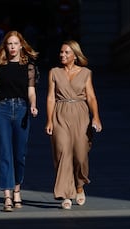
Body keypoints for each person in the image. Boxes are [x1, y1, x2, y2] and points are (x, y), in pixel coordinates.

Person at [45, 40, 102, 210]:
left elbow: (91, 97)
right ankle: (67, 193)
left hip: (80, 114)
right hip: (60, 113)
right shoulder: (54, 72)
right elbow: (50, 97)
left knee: (80, 154)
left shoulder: (85, 73)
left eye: (66, 53)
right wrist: (49, 120)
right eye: (61, 52)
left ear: (75, 56)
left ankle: (79, 185)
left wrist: (96, 117)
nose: (62, 55)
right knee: (62, 151)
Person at [0, 31, 39, 212]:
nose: (13, 47)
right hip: (3, 109)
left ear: (22, 45)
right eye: (10, 44)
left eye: (16, 43)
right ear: (5, 46)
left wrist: (33, 105)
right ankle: (7, 194)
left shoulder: (29, 66)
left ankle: (17, 188)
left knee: (20, 153)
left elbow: (31, 90)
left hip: (22, 108)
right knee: (5, 153)